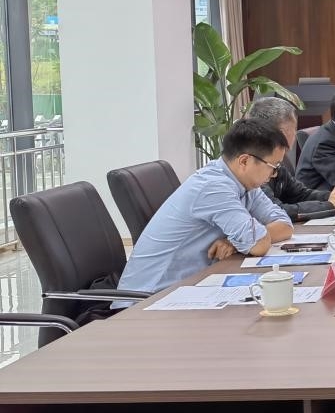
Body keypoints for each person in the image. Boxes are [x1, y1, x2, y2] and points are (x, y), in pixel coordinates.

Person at [115, 119, 294, 299]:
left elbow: (285, 225)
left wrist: (234, 242)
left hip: (190, 286)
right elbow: (259, 244)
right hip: (150, 298)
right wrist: (248, 240)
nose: (274, 175)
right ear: (244, 161)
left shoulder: (245, 184)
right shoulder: (213, 187)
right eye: (273, 167)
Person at [246, 97, 335, 220]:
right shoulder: (252, 165)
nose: (295, 133)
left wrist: (332, 197)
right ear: (282, 133)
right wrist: (329, 206)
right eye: (294, 129)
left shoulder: (276, 160)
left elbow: (300, 194)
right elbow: (275, 211)